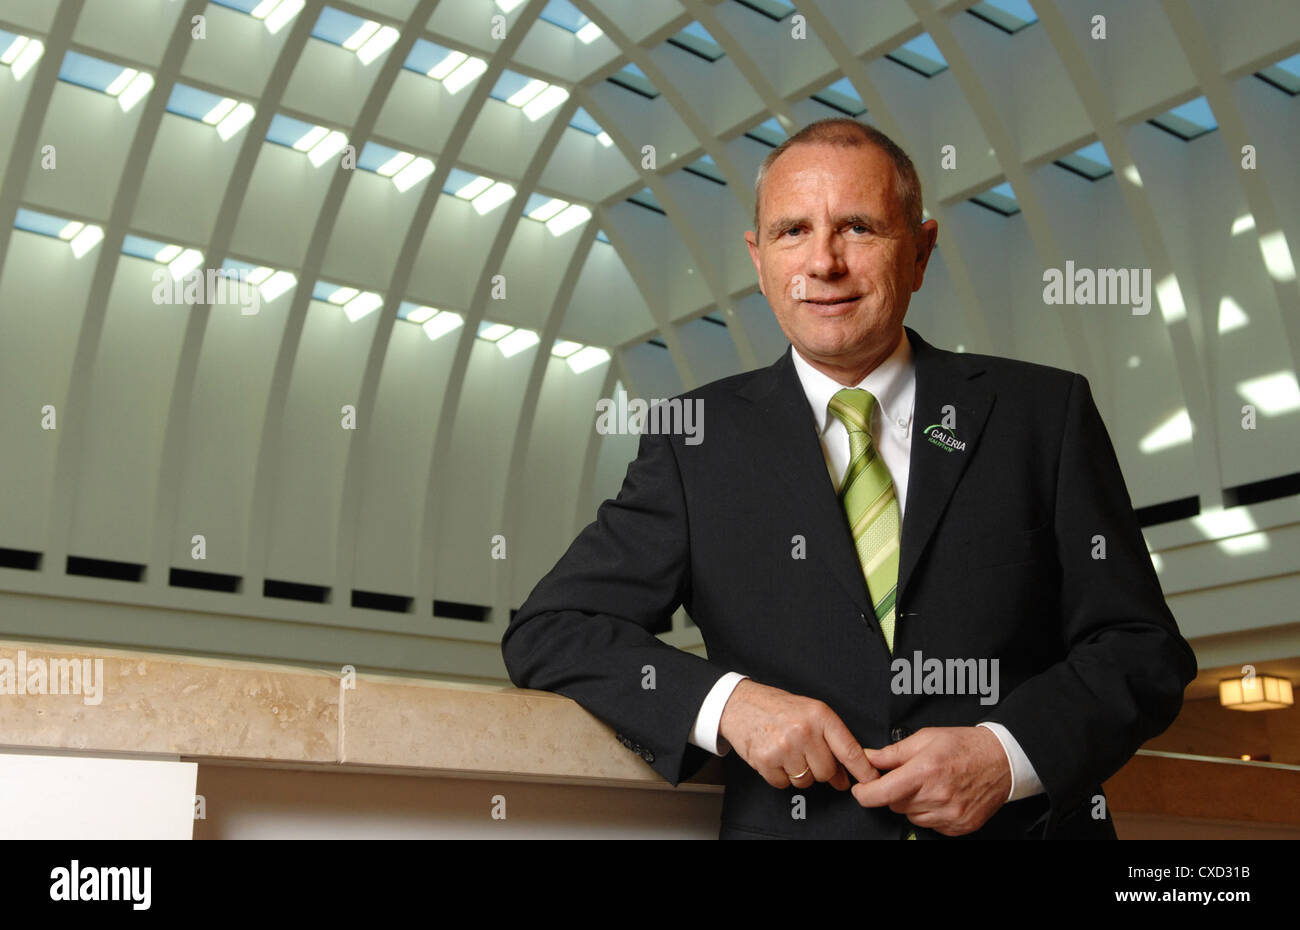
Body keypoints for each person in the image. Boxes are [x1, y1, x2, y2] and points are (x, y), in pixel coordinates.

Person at [501, 117, 1197, 839]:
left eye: (859, 228)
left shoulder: (1043, 415)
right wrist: (731, 705)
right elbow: (552, 630)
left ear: (921, 251)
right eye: (792, 231)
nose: (823, 262)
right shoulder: (695, 441)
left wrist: (1006, 754)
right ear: (759, 258)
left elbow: (1142, 648)